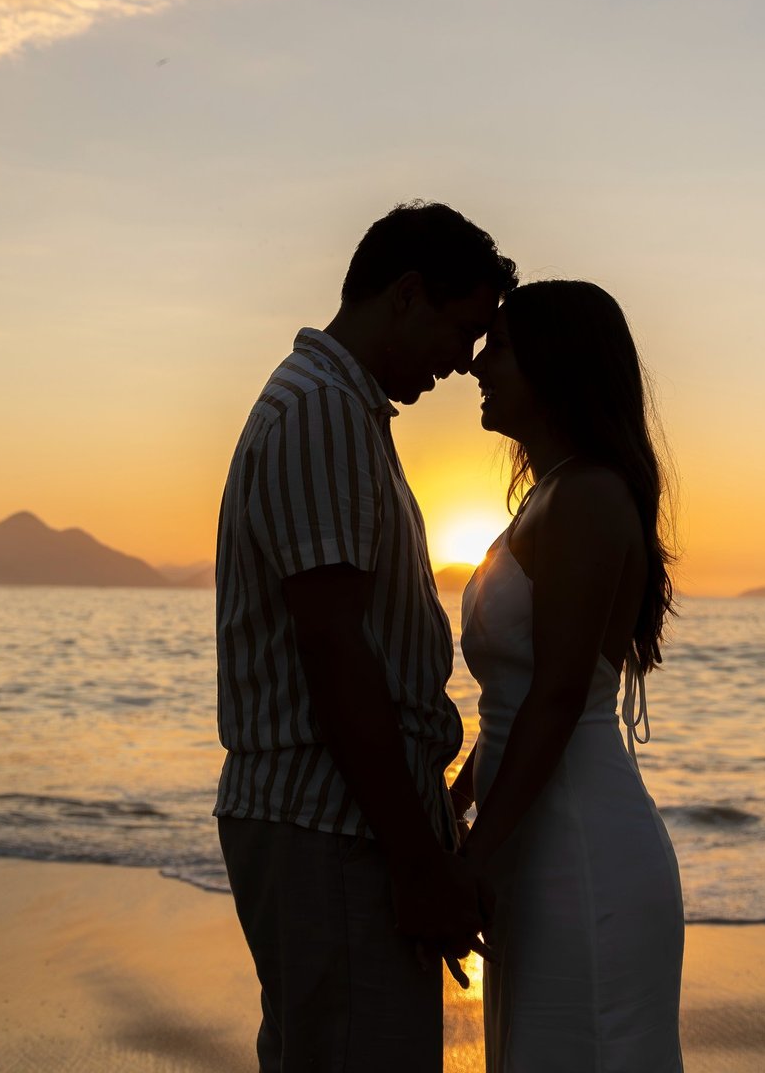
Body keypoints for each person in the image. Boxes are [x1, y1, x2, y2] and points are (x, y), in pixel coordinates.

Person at [214, 201, 518, 1071]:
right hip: (331, 825)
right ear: (408, 295)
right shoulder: (321, 413)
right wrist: (419, 862)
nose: (464, 364)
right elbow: (337, 655)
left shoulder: (339, 410)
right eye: (464, 331)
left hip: (338, 822)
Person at [451, 279, 686, 1070]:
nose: (480, 364)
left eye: (503, 348)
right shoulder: (547, 497)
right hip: (535, 833)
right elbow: (514, 704)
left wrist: (475, 858)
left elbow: (556, 699)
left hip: (580, 849)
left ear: (556, 364)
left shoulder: (586, 497)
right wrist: (460, 799)